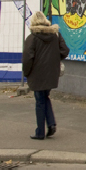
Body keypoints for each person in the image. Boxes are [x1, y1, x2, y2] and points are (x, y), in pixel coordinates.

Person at [22, 11, 69, 140]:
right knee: (45, 97)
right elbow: (65, 51)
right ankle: (51, 124)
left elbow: (27, 59)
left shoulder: (32, 38)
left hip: (37, 74)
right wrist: (54, 59)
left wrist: (26, 73)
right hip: (51, 73)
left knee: (40, 101)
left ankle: (40, 132)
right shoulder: (55, 35)